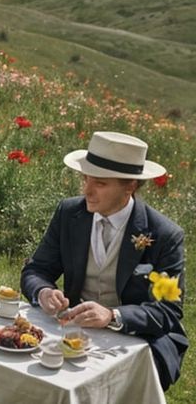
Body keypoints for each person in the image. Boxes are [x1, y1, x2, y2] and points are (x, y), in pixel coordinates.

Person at [21, 132, 187, 390]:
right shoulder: (69, 213)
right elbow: (36, 270)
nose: (86, 190)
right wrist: (43, 292)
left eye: (99, 183)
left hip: (139, 339)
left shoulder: (164, 235)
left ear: (130, 186)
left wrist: (112, 316)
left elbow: (168, 311)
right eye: (85, 179)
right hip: (74, 330)